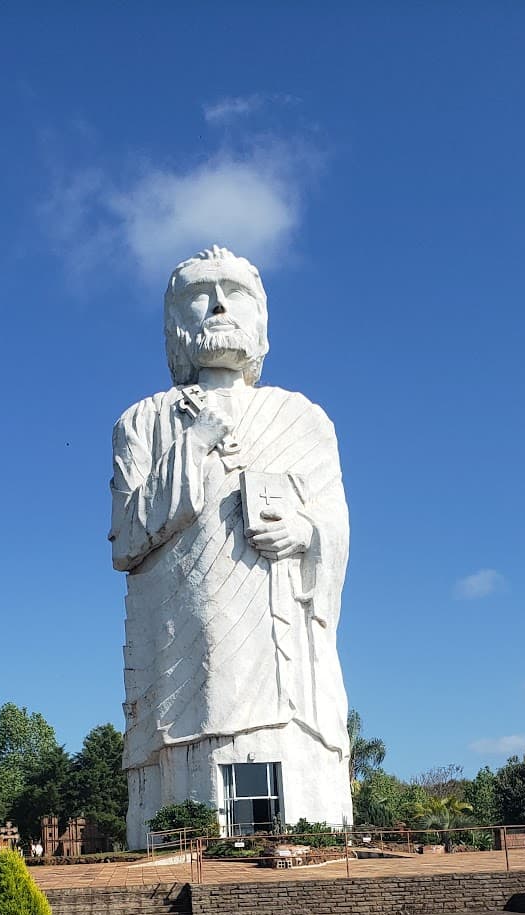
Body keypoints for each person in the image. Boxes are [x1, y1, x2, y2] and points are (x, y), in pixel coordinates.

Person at [110, 245, 352, 845]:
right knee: (189, 734)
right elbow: (125, 540)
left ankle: (309, 823)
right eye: (200, 293)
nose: (218, 304)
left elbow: (335, 522)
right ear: (174, 324)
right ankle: (184, 828)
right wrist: (193, 443)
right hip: (183, 637)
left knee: (281, 735)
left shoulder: (303, 419)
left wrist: (304, 532)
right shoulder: (143, 422)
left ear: (261, 317)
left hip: (280, 640)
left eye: (234, 292)